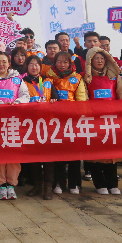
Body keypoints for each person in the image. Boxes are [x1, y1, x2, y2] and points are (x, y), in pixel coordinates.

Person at [0, 52, 30, 200]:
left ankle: (12, 184)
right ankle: (1, 184)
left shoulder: (17, 78)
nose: (1, 64)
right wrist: (2, 105)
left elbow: (25, 95)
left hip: (14, 119)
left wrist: (17, 103)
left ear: (9, 63)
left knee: (13, 152)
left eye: (4, 61)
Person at [82, 47, 122, 195]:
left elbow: (121, 96)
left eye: (102, 58)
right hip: (94, 121)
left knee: (111, 155)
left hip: (111, 120)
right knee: (95, 155)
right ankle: (99, 184)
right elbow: (84, 98)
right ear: (90, 61)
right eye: (96, 59)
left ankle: (113, 184)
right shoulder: (85, 78)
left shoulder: (114, 77)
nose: (99, 61)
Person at [45, 51, 87, 194]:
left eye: (65, 62)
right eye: (59, 62)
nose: (62, 65)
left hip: (72, 121)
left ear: (70, 63)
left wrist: (78, 117)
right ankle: (58, 183)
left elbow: (81, 100)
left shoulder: (77, 78)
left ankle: (74, 184)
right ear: (54, 63)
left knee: (74, 153)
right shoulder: (49, 78)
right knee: (58, 153)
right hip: (55, 121)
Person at [22, 55, 55, 199]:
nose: (34, 67)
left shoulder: (48, 81)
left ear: (41, 67)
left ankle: (48, 187)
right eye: (31, 64)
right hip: (30, 125)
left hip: (48, 125)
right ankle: (37, 185)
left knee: (48, 157)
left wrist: (54, 100)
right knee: (34, 157)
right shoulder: (22, 82)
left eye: (37, 64)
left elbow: (56, 99)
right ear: (27, 67)